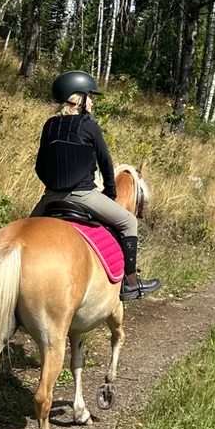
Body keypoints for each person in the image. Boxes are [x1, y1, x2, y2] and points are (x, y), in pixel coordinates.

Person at [32, 71, 161, 300]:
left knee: (26, 232)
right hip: (84, 196)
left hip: (50, 198)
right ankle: (131, 282)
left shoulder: (49, 125)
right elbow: (105, 162)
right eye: (90, 96)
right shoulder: (88, 125)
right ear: (78, 98)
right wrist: (110, 191)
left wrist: (53, 189)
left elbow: (40, 167)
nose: (92, 102)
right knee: (129, 222)